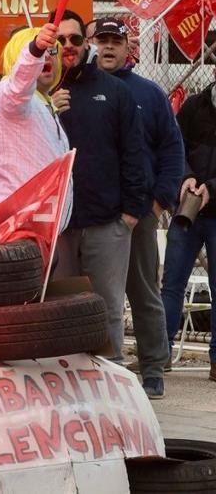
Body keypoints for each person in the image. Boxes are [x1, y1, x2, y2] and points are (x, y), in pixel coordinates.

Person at [52, 15, 149, 361]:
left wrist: (130, 213)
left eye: (75, 39)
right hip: (60, 224)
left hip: (108, 221)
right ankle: (68, 387)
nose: (68, 47)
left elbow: (135, 153)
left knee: (108, 308)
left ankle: (113, 382)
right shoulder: (40, 92)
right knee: (62, 309)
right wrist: (49, 110)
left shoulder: (115, 91)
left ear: (86, 43)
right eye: (60, 40)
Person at [95, 21, 183, 399]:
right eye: (103, 41)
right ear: (93, 45)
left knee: (143, 290)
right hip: (95, 214)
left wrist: (160, 200)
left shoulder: (149, 93)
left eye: (116, 42)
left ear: (129, 47)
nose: (109, 48)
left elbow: (172, 149)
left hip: (139, 214)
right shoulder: (79, 88)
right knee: (96, 295)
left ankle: (153, 369)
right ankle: (99, 369)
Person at [0, 24, 69, 209]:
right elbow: (19, 85)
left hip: (38, 217)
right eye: (41, 50)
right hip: (14, 217)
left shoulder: (44, 103)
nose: (47, 55)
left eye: (52, 50)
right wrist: (34, 50)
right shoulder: (8, 96)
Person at [163, 79, 216, 384]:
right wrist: (187, 178)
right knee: (171, 284)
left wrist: (212, 188)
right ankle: (161, 355)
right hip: (188, 211)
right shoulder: (195, 105)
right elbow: (175, 146)